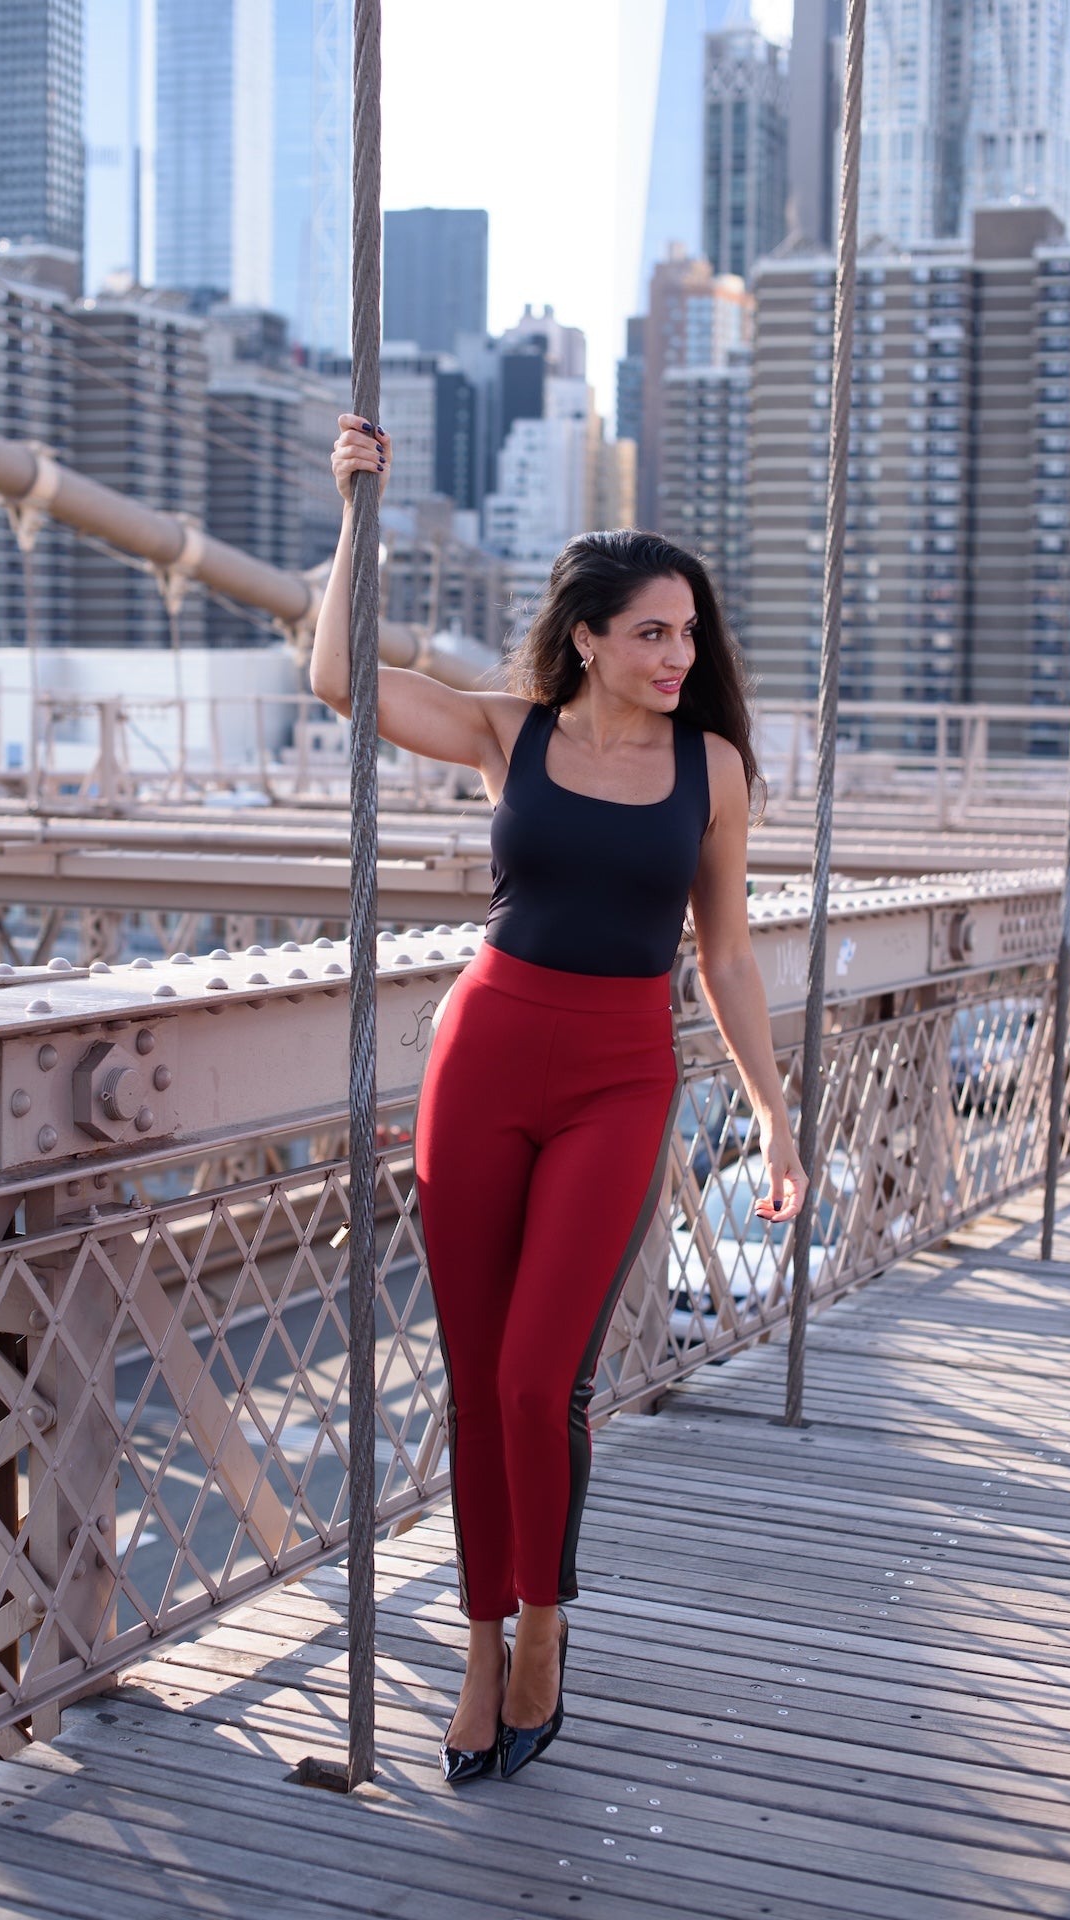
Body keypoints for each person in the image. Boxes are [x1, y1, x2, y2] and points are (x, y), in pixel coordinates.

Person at [310, 414, 807, 1785]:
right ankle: (478, 1652)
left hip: (616, 1073)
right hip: (484, 1052)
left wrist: (770, 1107)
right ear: (584, 636)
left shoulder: (708, 772)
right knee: (478, 1384)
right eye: (652, 634)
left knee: (541, 1379)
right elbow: (338, 675)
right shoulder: (502, 732)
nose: (678, 659)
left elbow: (725, 952)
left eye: (689, 636)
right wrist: (360, 506)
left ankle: (543, 1629)